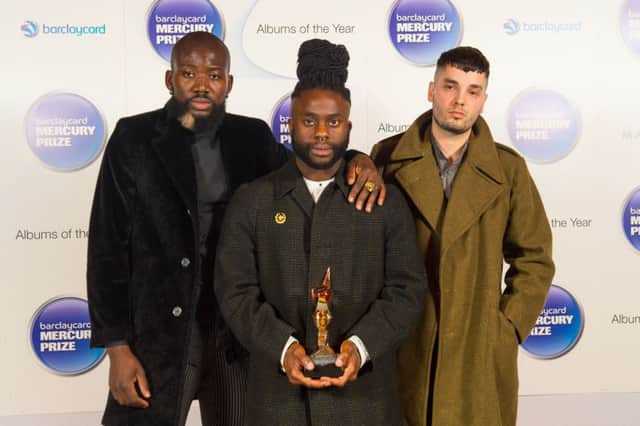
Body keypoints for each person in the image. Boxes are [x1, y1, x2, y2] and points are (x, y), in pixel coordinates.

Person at [86, 31, 384, 426]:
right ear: (169, 79)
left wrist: (360, 158)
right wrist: (117, 348)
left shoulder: (252, 137)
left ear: (228, 83)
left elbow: (311, 165)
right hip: (158, 333)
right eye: (189, 72)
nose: (201, 84)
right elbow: (107, 248)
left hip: (236, 333)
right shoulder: (133, 138)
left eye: (213, 74)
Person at [213, 39, 426, 425]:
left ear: (348, 126)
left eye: (333, 122)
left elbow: (407, 291)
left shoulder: (385, 203)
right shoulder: (252, 201)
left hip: (366, 404)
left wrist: (361, 348)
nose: (322, 133)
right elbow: (235, 291)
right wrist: (283, 347)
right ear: (291, 124)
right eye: (309, 121)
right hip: (277, 404)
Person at [371, 46, 555, 426]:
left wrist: (506, 327)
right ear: (431, 90)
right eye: (450, 86)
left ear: (484, 99)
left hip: (478, 352)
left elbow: (534, 257)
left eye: (473, 91)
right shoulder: (386, 159)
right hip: (406, 343)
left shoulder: (508, 169)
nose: (460, 101)